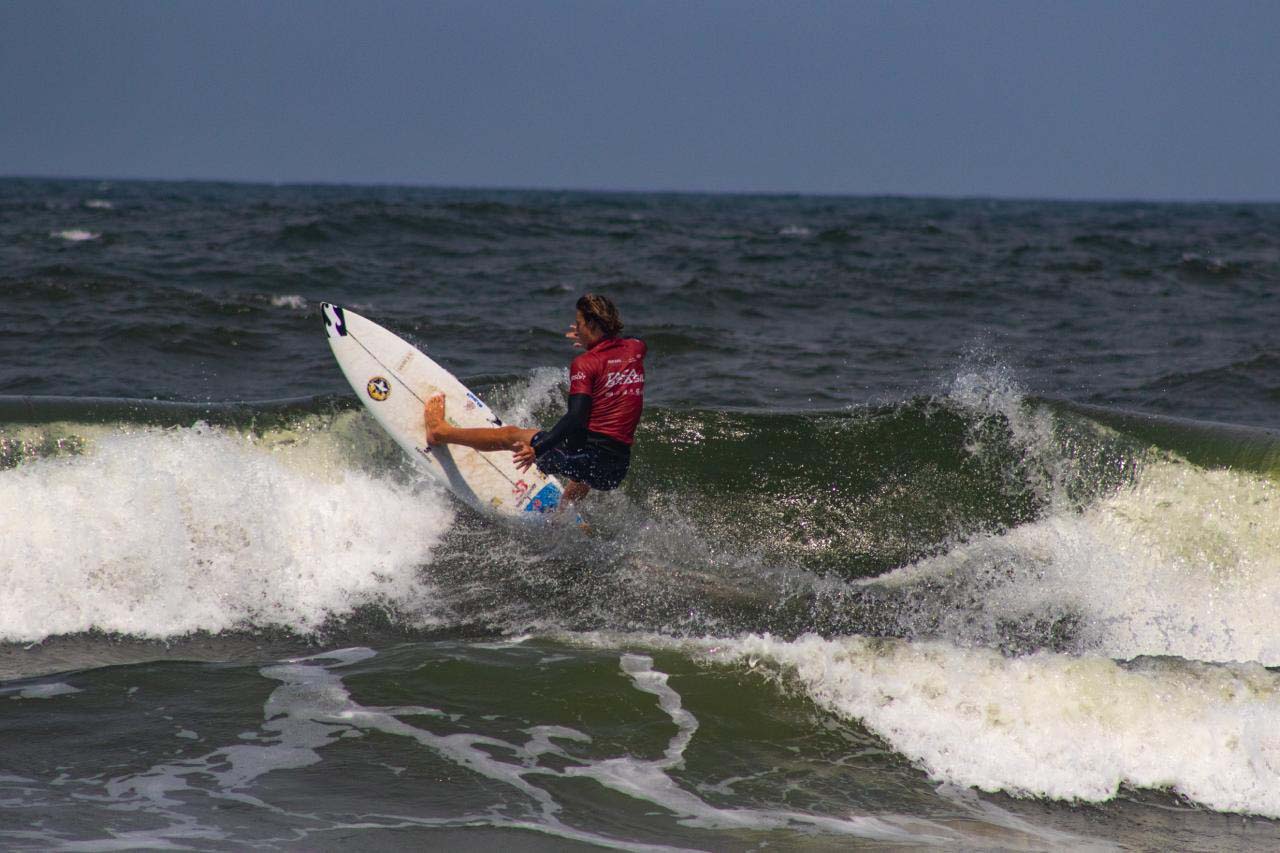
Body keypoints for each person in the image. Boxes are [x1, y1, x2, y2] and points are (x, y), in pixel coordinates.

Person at [423, 293, 645, 505]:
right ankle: (562, 515)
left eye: (579, 323)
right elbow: (617, 348)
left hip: (591, 461)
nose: (576, 328)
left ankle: (440, 432)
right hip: (617, 468)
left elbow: (576, 417)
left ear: (592, 324)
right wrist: (595, 341)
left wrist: (538, 450)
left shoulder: (586, 363)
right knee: (582, 444)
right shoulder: (635, 348)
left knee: (511, 435)